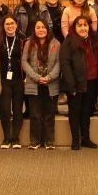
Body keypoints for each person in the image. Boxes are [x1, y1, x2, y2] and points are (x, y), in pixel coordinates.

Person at [60, 16, 98, 150]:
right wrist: (71, 85)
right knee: (75, 112)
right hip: (75, 84)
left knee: (86, 112)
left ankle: (86, 138)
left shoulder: (93, 39)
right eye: (79, 25)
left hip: (91, 81)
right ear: (74, 27)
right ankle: (75, 140)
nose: (83, 28)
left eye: (85, 25)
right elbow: (65, 64)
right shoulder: (69, 41)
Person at [22, 20, 61, 150]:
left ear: (47, 29)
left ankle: (49, 141)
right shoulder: (29, 43)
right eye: (38, 27)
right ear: (34, 29)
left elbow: (59, 64)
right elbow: (24, 62)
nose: (41, 30)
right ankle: (35, 141)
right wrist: (37, 77)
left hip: (51, 83)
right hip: (34, 84)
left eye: (43, 27)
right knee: (35, 115)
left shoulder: (56, 43)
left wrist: (49, 77)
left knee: (49, 114)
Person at [0, 16, 25, 149]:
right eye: (7, 24)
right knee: (5, 109)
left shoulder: (22, 41)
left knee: (17, 109)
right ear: (3, 26)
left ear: (16, 25)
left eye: (12, 23)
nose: (10, 26)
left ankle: (16, 138)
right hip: (4, 79)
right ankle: (6, 138)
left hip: (19, 79)